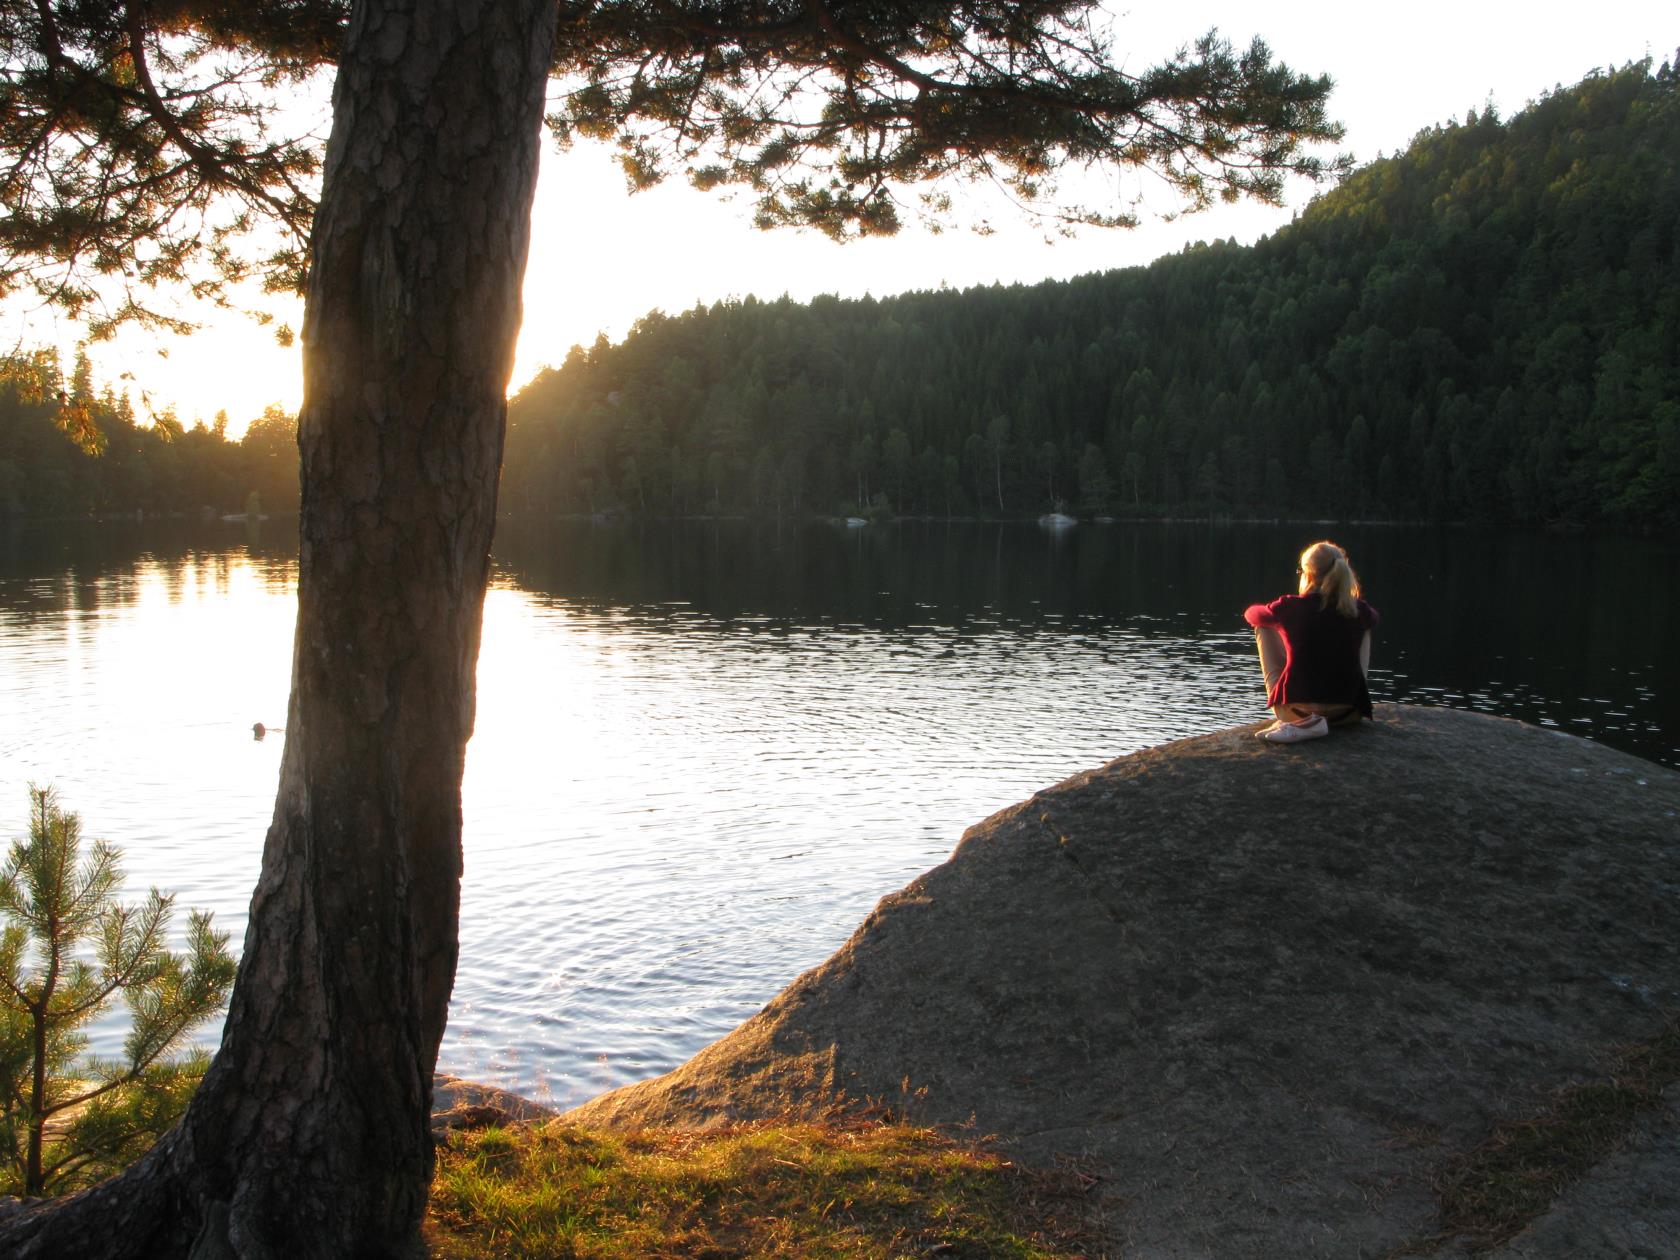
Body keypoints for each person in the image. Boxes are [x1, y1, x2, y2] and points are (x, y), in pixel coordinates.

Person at [1243, 540, 1378, 744]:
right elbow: (1375, 617)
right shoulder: (1359, 609)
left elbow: (1252, 615)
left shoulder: (1290, 606)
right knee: (1365, 625)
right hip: (1349, 713)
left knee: (1263, 626)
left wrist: (1278, 619)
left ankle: (1306, 721)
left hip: (1294, 712)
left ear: (1309, 574)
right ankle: (1352, 692)